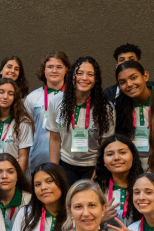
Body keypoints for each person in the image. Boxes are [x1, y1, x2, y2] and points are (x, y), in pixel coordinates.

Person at [47, 56, 115, 185]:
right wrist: (55, 170)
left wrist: (98, 172)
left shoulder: (106, 108)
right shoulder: (57, 102)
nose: (84, 78)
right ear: (72, 76)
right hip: (66, 163)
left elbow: (105, 145)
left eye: (90, 74)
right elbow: (55, 138)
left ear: (96, 79)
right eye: (79, 73)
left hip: (93, 165)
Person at [26, 52, 70, 172]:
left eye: (59, 67)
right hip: (39, 156)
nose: (54, 70)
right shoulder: (32, 98)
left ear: (66, 70)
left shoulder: (73, 97)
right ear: (44, 70)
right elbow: (27, 131)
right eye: (50, 67)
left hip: (68, 158)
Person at [93, 135, 143, 227]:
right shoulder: (95, 190)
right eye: (110, 154)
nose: (116, 158)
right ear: (103, 161)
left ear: (133, 156)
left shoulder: (144, 188)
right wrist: (100, 219)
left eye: (122, 152)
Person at [113, 61, 154, 170]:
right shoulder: (119, 107)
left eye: (133, 78)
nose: (129, 84)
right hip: (133, 167)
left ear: (145, 76)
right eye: (122, 82)